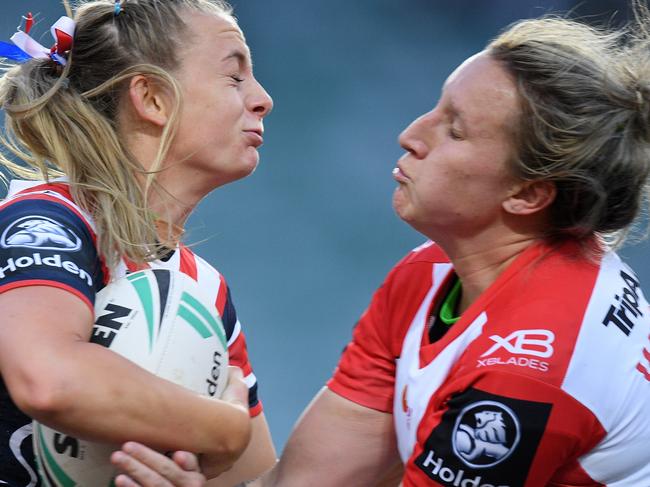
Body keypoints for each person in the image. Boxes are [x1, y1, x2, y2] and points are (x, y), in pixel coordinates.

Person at [114, 4, 650, 487]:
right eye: (436, 108)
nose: (413, 133)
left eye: (455, 130)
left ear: (529, 193)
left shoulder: (530, 370)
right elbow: (302, 483)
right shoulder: (429, 275)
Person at [0, 0, 275, 486]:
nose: (263, 99)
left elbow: (255, 480)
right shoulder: (46, 220)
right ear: (151, 98)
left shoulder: (204, 290)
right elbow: (48, 380)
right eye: (234, 77)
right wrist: (223, 429)